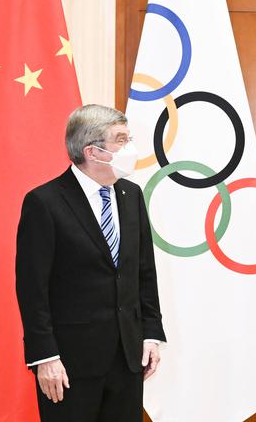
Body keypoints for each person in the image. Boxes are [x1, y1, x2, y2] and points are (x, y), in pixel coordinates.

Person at [16, 104, 166, 421]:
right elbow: (32, 290)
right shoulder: (44, 202)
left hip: (127, 358)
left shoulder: (131, 195)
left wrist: (151, 333)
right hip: (69, 364)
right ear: (93, 151)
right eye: (121, 140)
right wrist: (45, 356)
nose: (131, 148)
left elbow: (143, 271)